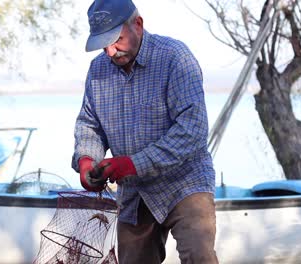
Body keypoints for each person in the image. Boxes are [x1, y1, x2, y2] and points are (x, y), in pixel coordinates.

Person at [71, 0, 219, 263]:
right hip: (134, 192)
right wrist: (86, 160)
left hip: (184, 182)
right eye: (103, 44)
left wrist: (132, 164)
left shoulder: (175, 57)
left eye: (116, 40)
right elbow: (89, 125)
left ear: (137, 24)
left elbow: (192, 130)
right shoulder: (97, 70)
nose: (110, 51)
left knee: (199, 255)